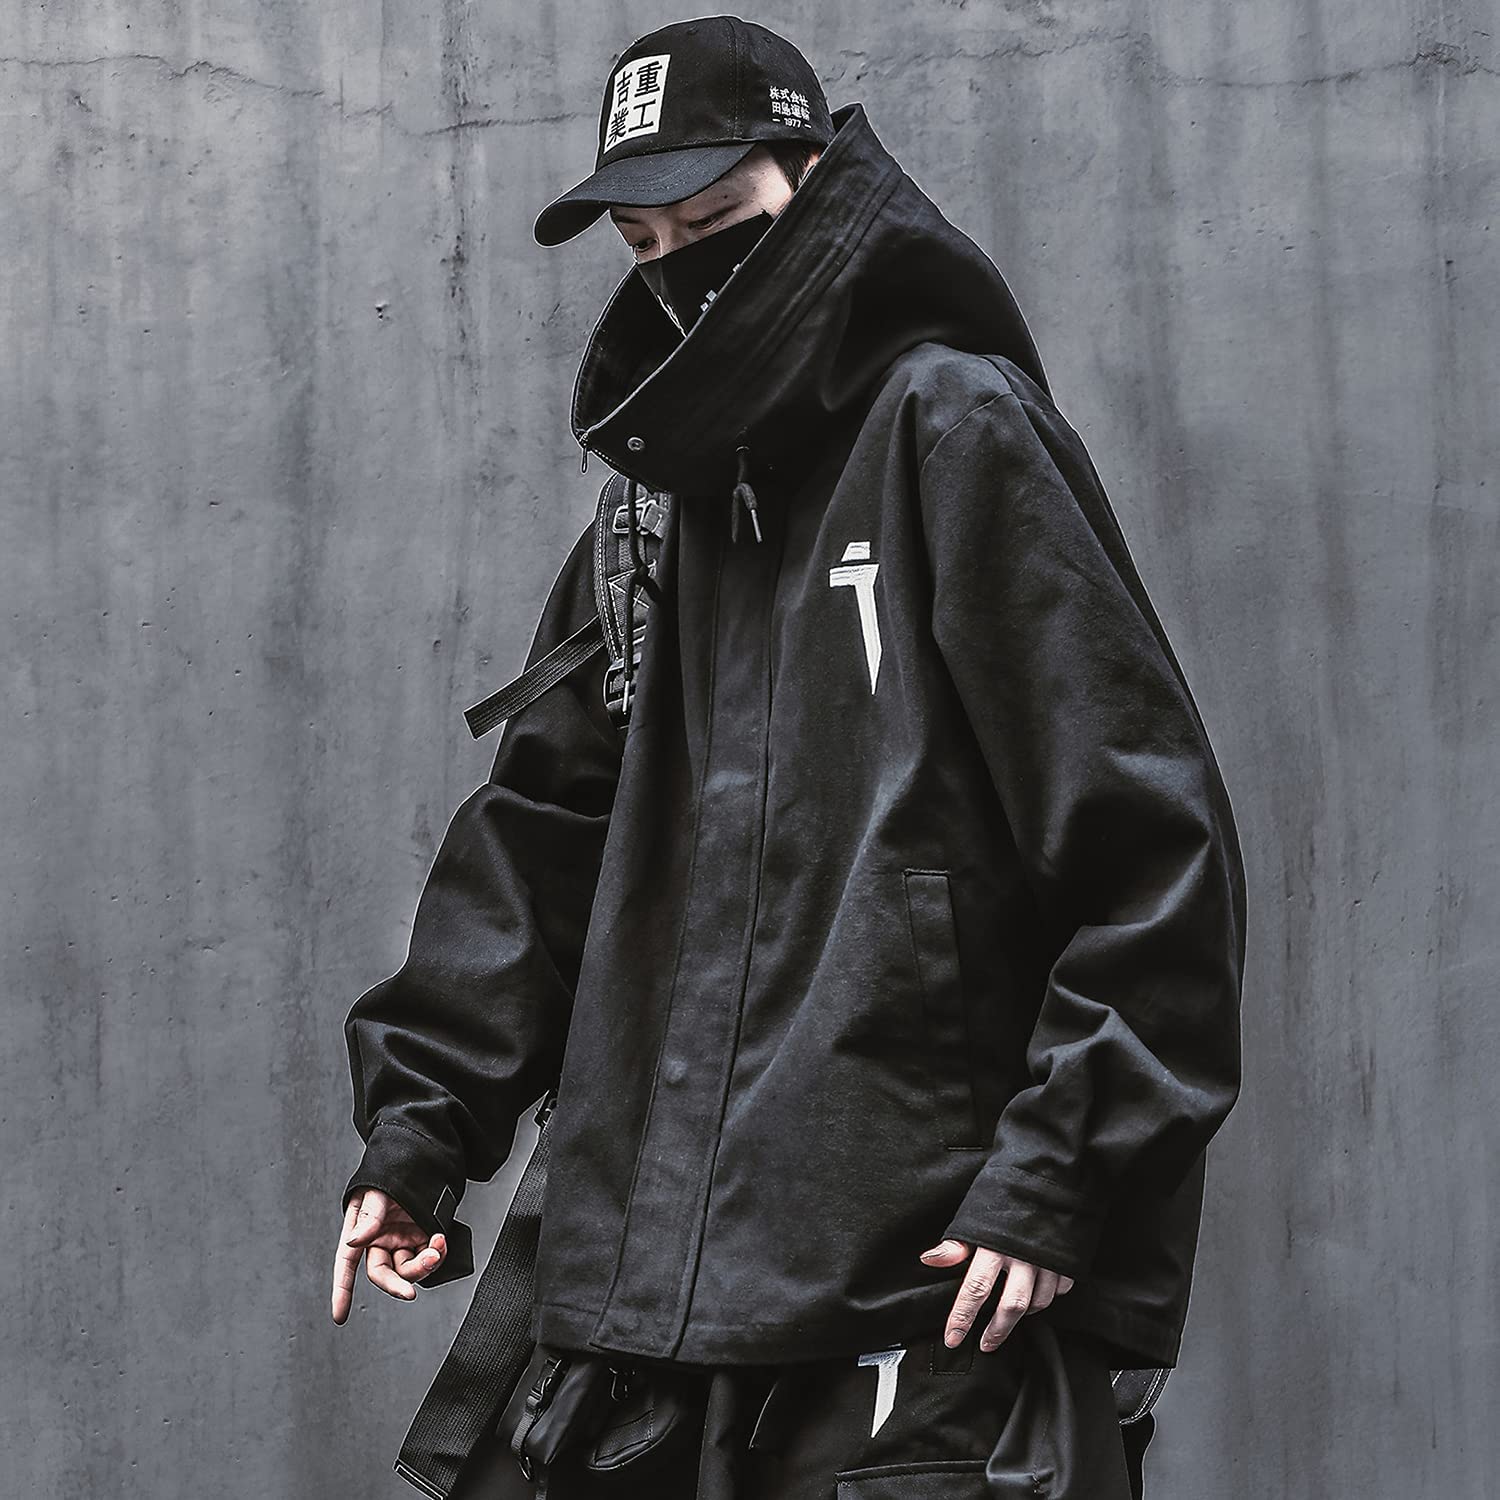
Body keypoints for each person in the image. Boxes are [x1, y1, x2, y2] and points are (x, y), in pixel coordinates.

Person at [330, 16, 1247, 1499]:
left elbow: (1150, 850)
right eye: (644, 243)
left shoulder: (954, 429)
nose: (679, 271)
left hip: (918, 1302)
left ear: (812, 184)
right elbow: (540, 842)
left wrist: (1052, 1181)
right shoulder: (650, 515)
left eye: (716, 225)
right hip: (653, 1307)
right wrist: (420, 1137)